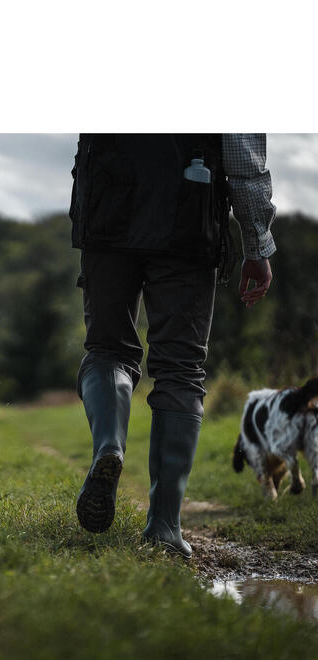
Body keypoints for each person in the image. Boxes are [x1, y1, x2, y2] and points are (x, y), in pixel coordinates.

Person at [69, 134, 275, 557]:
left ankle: (109, 444)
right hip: (188, 211)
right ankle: (163, 525)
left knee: (108, 348)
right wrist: (257, 244)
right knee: (180, 368)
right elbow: (242, 155)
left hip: (106, 206)